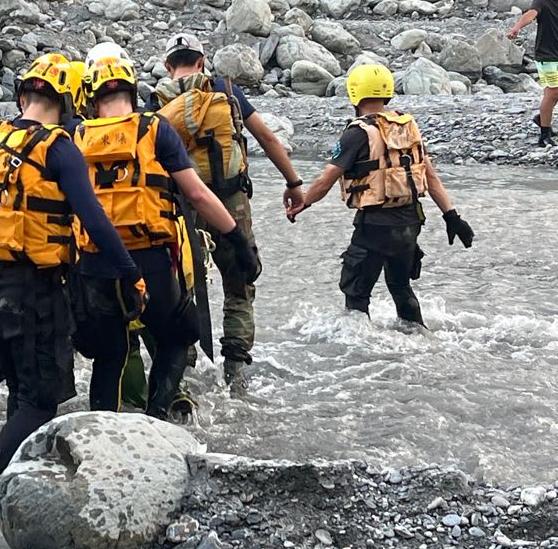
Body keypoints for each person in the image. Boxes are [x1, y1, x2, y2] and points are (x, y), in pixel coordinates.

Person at [0, 54, 145, 474]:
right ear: (70, 104)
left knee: (19, 395)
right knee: (39, 403)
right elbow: (96, 222)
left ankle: (20, 478)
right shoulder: (59, 149)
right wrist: (131, 274)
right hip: (33, 293)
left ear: (22, 96)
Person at [71, 49, 259, 418]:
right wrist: (238, 239)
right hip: (150, 260)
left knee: (110, 354)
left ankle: (99, 427)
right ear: (132, 89)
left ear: (92, 99)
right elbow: (198, 194)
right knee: (177, 336)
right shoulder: (154, 129)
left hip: (96, 264)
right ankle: (159, 414)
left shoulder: (75, 136)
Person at [150, 33, 305, 395]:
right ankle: (235, 373)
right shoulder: (225, 89)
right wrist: (293, 182)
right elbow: (267, 138)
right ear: (201, 62)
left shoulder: (156, 103)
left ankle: (184, 373)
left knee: (183, 289)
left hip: (185, 209)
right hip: (232, 204)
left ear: (169, 66)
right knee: (240, 284)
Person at [287, 64, 475, 328]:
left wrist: (303, 202)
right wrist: (452, 217)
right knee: (400, 286)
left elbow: (327, 177)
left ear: (354, 93)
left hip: (374, 225)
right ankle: (419, 336)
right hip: (410, 222)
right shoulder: (407, 126)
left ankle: (356, 347)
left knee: (356, 293)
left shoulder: (357, 133)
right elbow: (429, 177)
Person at [507, 0, 558, 146]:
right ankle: (544, 136)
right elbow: (531, 14)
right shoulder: (541, 1)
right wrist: (517, 27)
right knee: (552, 93)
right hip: (548, 56)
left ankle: (542, 118)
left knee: (553, 94)